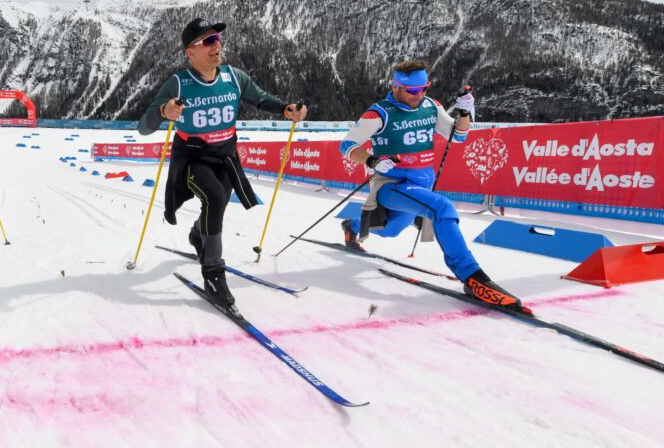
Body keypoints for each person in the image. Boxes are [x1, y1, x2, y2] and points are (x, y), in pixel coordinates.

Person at [139, 18, 307, 307]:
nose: (216, 44)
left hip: (226, 155)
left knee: (215, 203)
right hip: (192, 155)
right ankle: (213, 271)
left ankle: (197, 234)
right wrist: (164, 112)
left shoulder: (233, 76)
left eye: (217, 38)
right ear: (190, 53)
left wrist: (285, 109)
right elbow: (143, 126)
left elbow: (259, 98)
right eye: (207, 41)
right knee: (215, 198)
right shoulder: (178, 83)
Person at [338, 60, 522, 309]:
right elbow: (347, 145)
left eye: (424, 88)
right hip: (392, 184)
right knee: (442, 209)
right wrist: (372, 160)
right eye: (413, 91)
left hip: (420, 182)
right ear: (396, 87)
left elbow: (458, 137)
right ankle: (472, 277)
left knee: (390, 230)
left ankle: (353, 226)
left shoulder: (431, 106)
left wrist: (466, 113)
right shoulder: (378, 113)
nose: (420, 94)